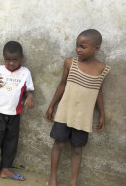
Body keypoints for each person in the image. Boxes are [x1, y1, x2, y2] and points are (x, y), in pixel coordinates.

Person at [45, 29, 111, 186]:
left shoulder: (102, 69)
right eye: (77, 45)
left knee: (77, 149)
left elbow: (98, 92)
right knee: (58, 144)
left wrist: (102, 114)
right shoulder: (70, 63)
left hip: (83, 118)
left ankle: (73, 182)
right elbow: (62, 85)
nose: (78, 49)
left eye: (82, 46)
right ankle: (52, 178)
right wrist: (51, 105)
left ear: (96, 48)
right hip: (64, 113)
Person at [0, 41, 35, 182]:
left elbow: (28, 91)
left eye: (15, 60)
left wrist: (30, 97)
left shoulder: (25, 73)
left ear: (21, 57)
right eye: (8, 59)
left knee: (10, 143)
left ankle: (6, 168)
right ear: (3, 57)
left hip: (14, 115)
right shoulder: (0, 69)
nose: (11, 63)